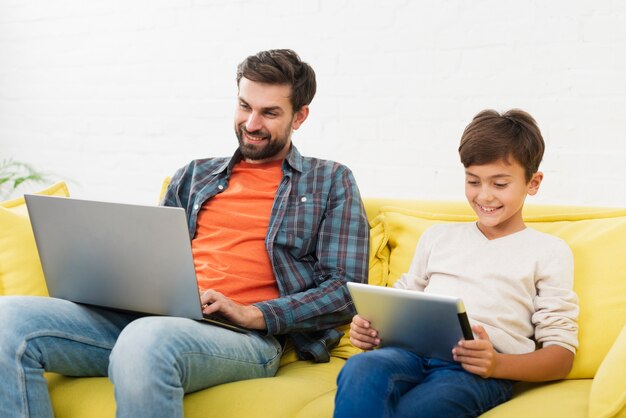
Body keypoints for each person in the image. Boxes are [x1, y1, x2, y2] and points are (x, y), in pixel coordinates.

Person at [0, 49, 370, 418]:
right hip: (149, 319)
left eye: (269, 113)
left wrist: (252, 314)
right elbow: (151, 257)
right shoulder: (195, 175)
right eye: (244, 106)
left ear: (300, 116)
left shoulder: (330, 180)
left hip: (240, 337)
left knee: (145, 341)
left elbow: (344, 291)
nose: (252, 123)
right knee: (7, 321)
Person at [334, 109, 579, 418]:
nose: (484, 195)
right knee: (360, 368)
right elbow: (401, 300)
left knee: (417, 410)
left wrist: (497, 365)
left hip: (475, 371)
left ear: (534, 182)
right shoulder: (438, 237)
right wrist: (371, 328)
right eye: (473, 181)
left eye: (500, 184)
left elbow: (561, 356)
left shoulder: (549, 251)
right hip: (409, 353)